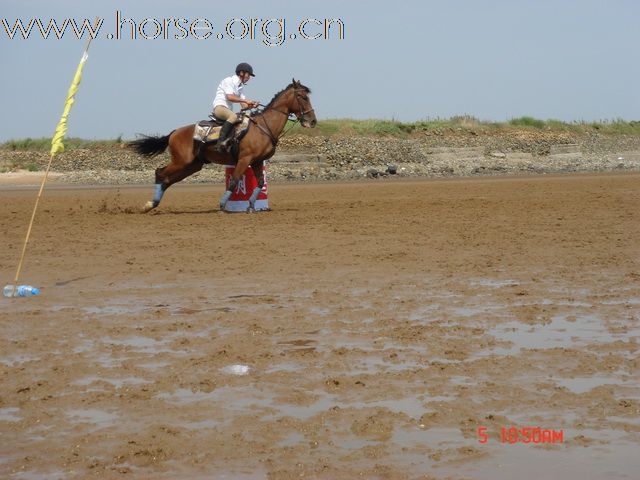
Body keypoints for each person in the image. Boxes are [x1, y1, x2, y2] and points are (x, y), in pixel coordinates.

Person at [212, 62, 260, 152]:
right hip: (219, 108)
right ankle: (220, 142)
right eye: (248, 75)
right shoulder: (228, 81)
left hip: (227, 110)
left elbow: (244, 106)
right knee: (233, 116)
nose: (249, 78)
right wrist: (246, 100)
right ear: (241, 73)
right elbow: (229, 97)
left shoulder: (240, 87)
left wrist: (252, 105)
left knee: (244, 118)